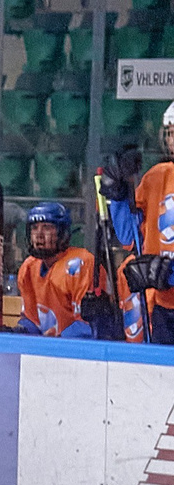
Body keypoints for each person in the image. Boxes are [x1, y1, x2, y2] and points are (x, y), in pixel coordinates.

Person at [100, 103, 174, 344]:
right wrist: (119, 194)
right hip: (165, 305)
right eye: (170, 133)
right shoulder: (157, 176)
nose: (173, 140)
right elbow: (127, 236)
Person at [14, 201, 106, 337]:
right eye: (34, 228)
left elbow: (89, 326)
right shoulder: (28, 267)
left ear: (62, 232)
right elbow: (32, 321)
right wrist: (16, 333)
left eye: (47, 227)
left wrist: (59, 336)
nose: (39, 234)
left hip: (80, 351)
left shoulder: (82, 264)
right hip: (49, 348)